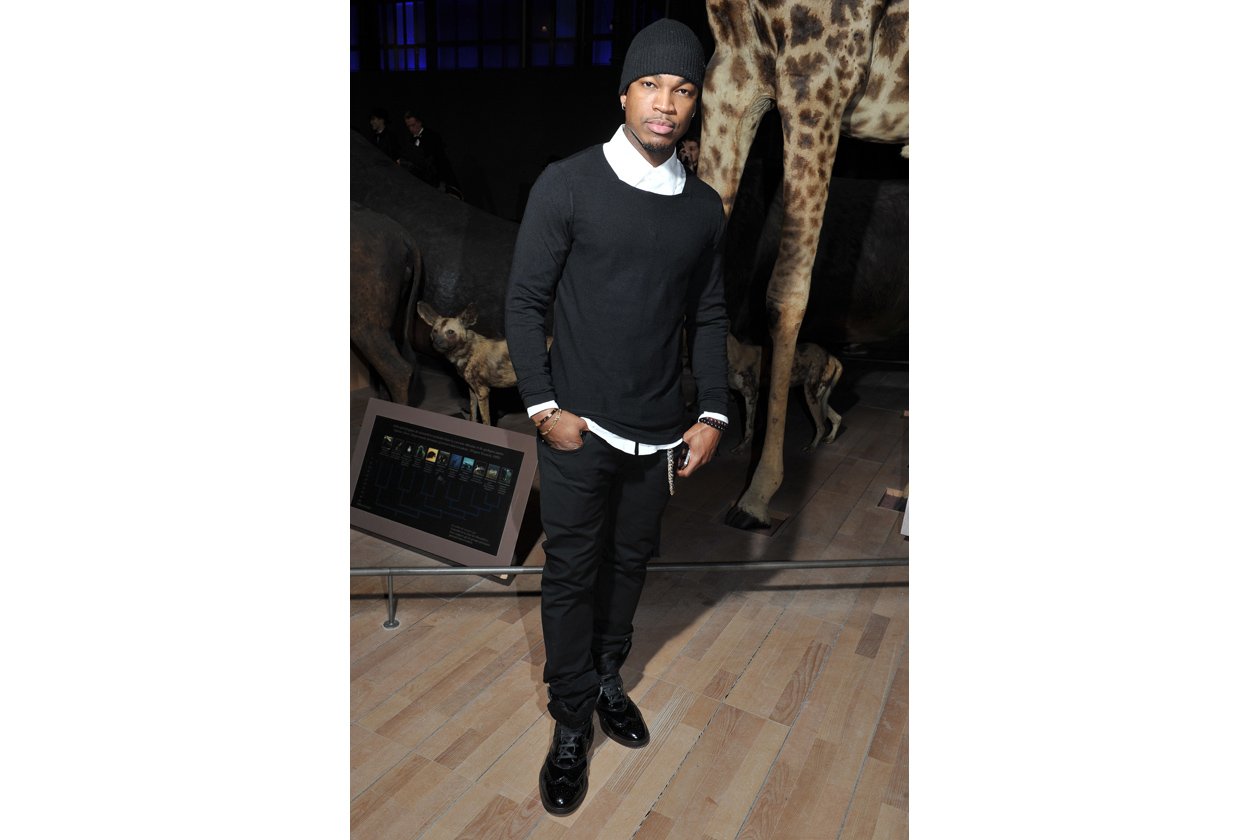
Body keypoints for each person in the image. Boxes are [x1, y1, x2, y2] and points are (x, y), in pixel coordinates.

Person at [504, 18, 730, 817]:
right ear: (624, 93)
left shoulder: (703, 208)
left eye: (683, 89)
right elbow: (525, 302)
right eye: (651, 85)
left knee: (630, 563)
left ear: (695, 102)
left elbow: (709, 314)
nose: (666, 103)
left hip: (662, 430)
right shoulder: (567, 184)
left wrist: (712, 413)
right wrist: (545, 409)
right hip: (580, 428)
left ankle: (606, 676)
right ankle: (572, 720)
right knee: (571, 572)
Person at [399, 109, 458, 193]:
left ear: (419, 122)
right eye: (408, 126)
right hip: (419, 181)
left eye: (413, 125)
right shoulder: (410, 140)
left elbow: (438, 160)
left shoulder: (432, 136)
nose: (411, 129)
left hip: (435, 181)